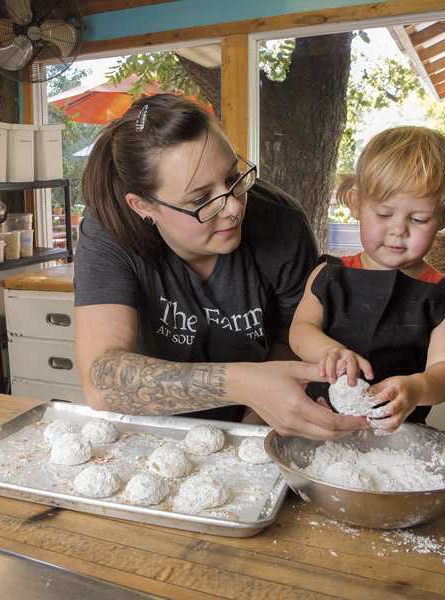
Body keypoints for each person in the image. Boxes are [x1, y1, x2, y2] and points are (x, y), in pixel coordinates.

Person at [73, 94, 369, 439]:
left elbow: (293, 336)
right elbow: (102, 381)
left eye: (233, 178)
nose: (233, 208)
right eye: (201, 200)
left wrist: (253, 420)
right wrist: (245, 383)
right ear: (142, 205)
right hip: (152, 423)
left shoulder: (282, 224)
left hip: (258, 419)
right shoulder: (109, 230)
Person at [289, 126, 445, 436]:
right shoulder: (329, 275)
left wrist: (417, 386)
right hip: (316, 421)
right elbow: (300, 330)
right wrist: (330, 352)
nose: (398, 230)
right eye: (384, 214)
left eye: (418, 219)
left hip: (396, 435)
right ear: (356, 203)